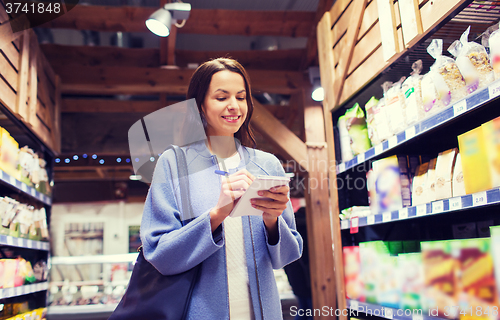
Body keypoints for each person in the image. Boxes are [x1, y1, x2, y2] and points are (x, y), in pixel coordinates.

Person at [140, 58, 303, 320]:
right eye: (221, 97)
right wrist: (217, 214)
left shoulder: (267, 164)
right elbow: (159, 252)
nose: (234, 106)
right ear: (199, 106)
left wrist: (272, 221)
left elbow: (288, 255)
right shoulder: (174, 164)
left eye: (241, 97)